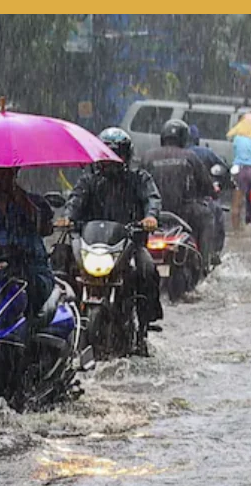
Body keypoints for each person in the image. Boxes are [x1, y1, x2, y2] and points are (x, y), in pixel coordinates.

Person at [58, 127, 163, 355]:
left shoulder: (139, 179)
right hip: (92, 245)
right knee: (60, 261)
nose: (111, 161)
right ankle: (59, 320)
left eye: (117, 155)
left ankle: (145, 323)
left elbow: (152, 199)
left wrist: (150, 217)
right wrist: (68, 218)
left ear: (126, 157)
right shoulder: (89, 181)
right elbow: (75, 201)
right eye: (106, 155)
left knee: (147, 269)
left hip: (128, 244)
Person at [0, 167, 55, 320]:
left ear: (12, 173)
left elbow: (46, 228)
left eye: (2, 173)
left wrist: (23, 202)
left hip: (31, 273)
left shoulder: (34, 202)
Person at [139, 119, 217, 267]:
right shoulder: (190, 156)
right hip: (185, 212)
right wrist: (213, 192)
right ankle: (205, 263)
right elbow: (207, 185)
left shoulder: (147, 157)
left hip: (153, 214)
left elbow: (139, 185)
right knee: (208, 217)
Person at [186, 124, 229, 265]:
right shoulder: (202, 153)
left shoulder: (164, 154)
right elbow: (222, 168)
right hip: (197, 202)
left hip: (173, 204)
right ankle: (210, 256)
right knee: (214, 215)